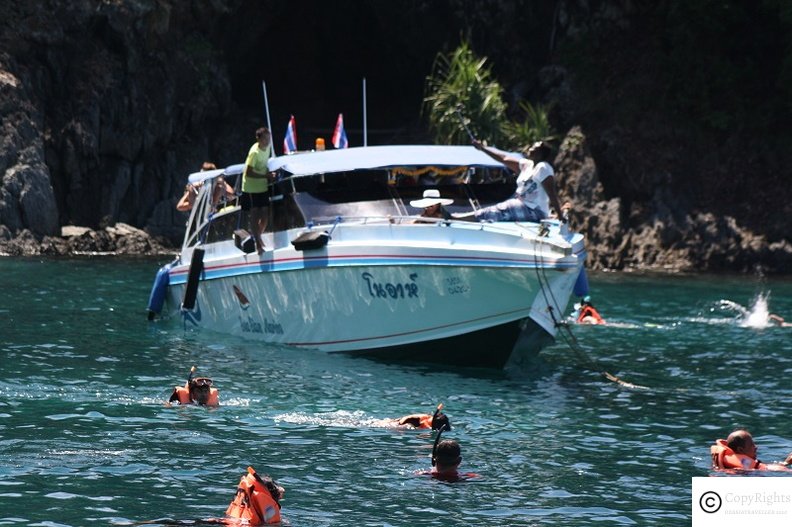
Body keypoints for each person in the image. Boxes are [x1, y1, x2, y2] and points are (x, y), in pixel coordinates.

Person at [457, 139, 563, 223]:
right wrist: (483, 148)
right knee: (505, 206)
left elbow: (552, 193)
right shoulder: (527, 165)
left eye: (534, 148)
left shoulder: (543, 167)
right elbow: (504, 158)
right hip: (520, 204)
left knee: (503, 208)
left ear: (540, 154)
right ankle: (461, 218)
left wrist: (560, 215)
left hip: (535, 211)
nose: (530, 149)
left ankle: (459, 218)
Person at [242, 127, 275, 254]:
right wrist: (265, 176)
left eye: (269, 138)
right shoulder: (254, 152)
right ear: (259, 139)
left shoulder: (268, 149)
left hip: (262, 186)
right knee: (255, 215)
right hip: (251, 187)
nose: (267, 141)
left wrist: (269, 175)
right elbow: (248, 172)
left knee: (265, 216)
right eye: (265, 139)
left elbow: (265, 165)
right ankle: (258, 244)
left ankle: (257, 237)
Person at [710, 429, 792, 471]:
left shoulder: (729, 462)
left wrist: (786, 462)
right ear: (740, 450)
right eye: (752, 445)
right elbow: (768, 469)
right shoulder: (742, 468)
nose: (756, 447)